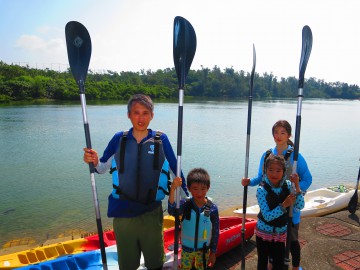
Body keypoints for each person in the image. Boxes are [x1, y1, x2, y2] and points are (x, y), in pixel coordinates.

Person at [83, 94, 188, 270]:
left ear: (152, 115)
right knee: (127, 265)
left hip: (151, 213)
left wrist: (186, 200)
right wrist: (93, 161)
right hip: (123, 214)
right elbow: (101, 167)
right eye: (136, 113)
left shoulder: (161, 140)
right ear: (129, 115)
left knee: (155, 263)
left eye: (145, 113)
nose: (141, 118)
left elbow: (176, 171)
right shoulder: (119, 139)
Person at [242, 120, 312, 270]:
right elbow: (261, 177)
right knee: (275, 245)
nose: (278, 136)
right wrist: (249, 182)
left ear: (289, 135)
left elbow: (308, 178)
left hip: (290, 204)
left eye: (282, 132)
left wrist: (295, 189)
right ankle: (272, 264)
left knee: (292, 240)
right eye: (276, 132)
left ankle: (295, 265)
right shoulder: (267, 154)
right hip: (273, 205)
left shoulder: (296, 156)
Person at [255, 155, 305, 270]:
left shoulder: (288, 185)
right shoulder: (261, 189)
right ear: (265, 171)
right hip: (263, 233)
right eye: (270, 170)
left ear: (284, 171)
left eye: (278, 170)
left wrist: (297, 185)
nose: (274, 174)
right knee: (262, 263)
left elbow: (300, 205)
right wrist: (284, 205)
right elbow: (267, 216)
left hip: (280, 234)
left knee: (279, 264)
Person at [168, 168, 220, 270]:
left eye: (203, 189)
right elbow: (172, 211)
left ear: (208, 188)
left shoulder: (212, 208)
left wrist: (213, 252)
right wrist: (173, 188)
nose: (199, 193)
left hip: (203, 250)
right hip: (186, 250)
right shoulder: (185, 204)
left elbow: (215, 232)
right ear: (188, 188)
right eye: (195, 189)